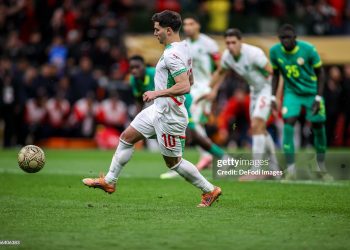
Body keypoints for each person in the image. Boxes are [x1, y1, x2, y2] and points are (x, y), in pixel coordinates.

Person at [82, 10, 221, 207]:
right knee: (126, 138)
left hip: (169, 115)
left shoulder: (173, 54)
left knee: (174, 163)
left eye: (157, 29)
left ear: (169, 30)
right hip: (158, 109)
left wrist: (156, 93)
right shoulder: (183, 48)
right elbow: (190, 78)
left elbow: (185, 86)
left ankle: (210, 190)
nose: (155, 33)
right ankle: (110, 181)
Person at [199, 28, 280, 180]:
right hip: (255, 91)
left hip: (267, 89)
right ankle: (274, 168)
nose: (230, 46)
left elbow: (274, 74)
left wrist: (276, 97)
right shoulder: (228, 57)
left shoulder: (254, 54)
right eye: (227, 43)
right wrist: (209, 89)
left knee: (256, 125)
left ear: (240, 42)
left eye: (233, 42)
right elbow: (220, 73)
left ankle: (256, 169)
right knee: (260, 129)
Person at [270, 24, 332, 180]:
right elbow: (276, 75)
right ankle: (290, 170)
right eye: (282, 38)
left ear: (295, 37)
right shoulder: (274, 52)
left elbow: (320, 73)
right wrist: (273, 97)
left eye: (288, 37)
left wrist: (318, 97)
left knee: (318, 126)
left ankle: (320, 165)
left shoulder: (308, 49)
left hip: (312, 92)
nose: (285, 41)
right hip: (292, 93)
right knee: (288, 124)